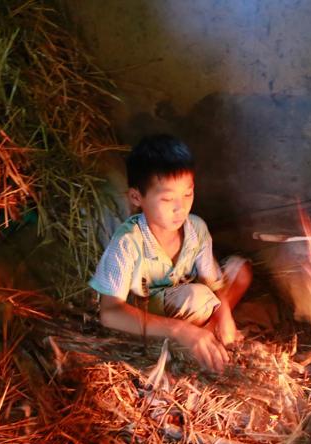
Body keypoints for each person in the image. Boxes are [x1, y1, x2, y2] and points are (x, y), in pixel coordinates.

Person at [89, 134, 252, 372]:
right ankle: (191, 338)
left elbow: (214, 283)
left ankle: (205, 334)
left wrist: (225, 315)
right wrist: (180, 330)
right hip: (149, 315)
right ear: (137, 198)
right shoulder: (128, 242)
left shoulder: (196, 228)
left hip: (187, 299)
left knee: (241, 270)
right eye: (167, 199)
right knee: (196, 297)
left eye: (188, 194)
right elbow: (110, 313)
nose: (181, 208)